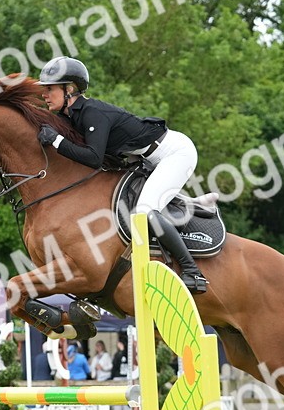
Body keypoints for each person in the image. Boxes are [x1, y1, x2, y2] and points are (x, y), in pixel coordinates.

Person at [36, 56, 208, 294]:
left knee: (144, 211)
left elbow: (93, 158)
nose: (44, 94)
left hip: (175, 153)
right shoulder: (71, 116)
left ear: (70, 89)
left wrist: (56, 141)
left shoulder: (92, 113)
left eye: (50, 89)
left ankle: (192, 272)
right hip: (146, 158)